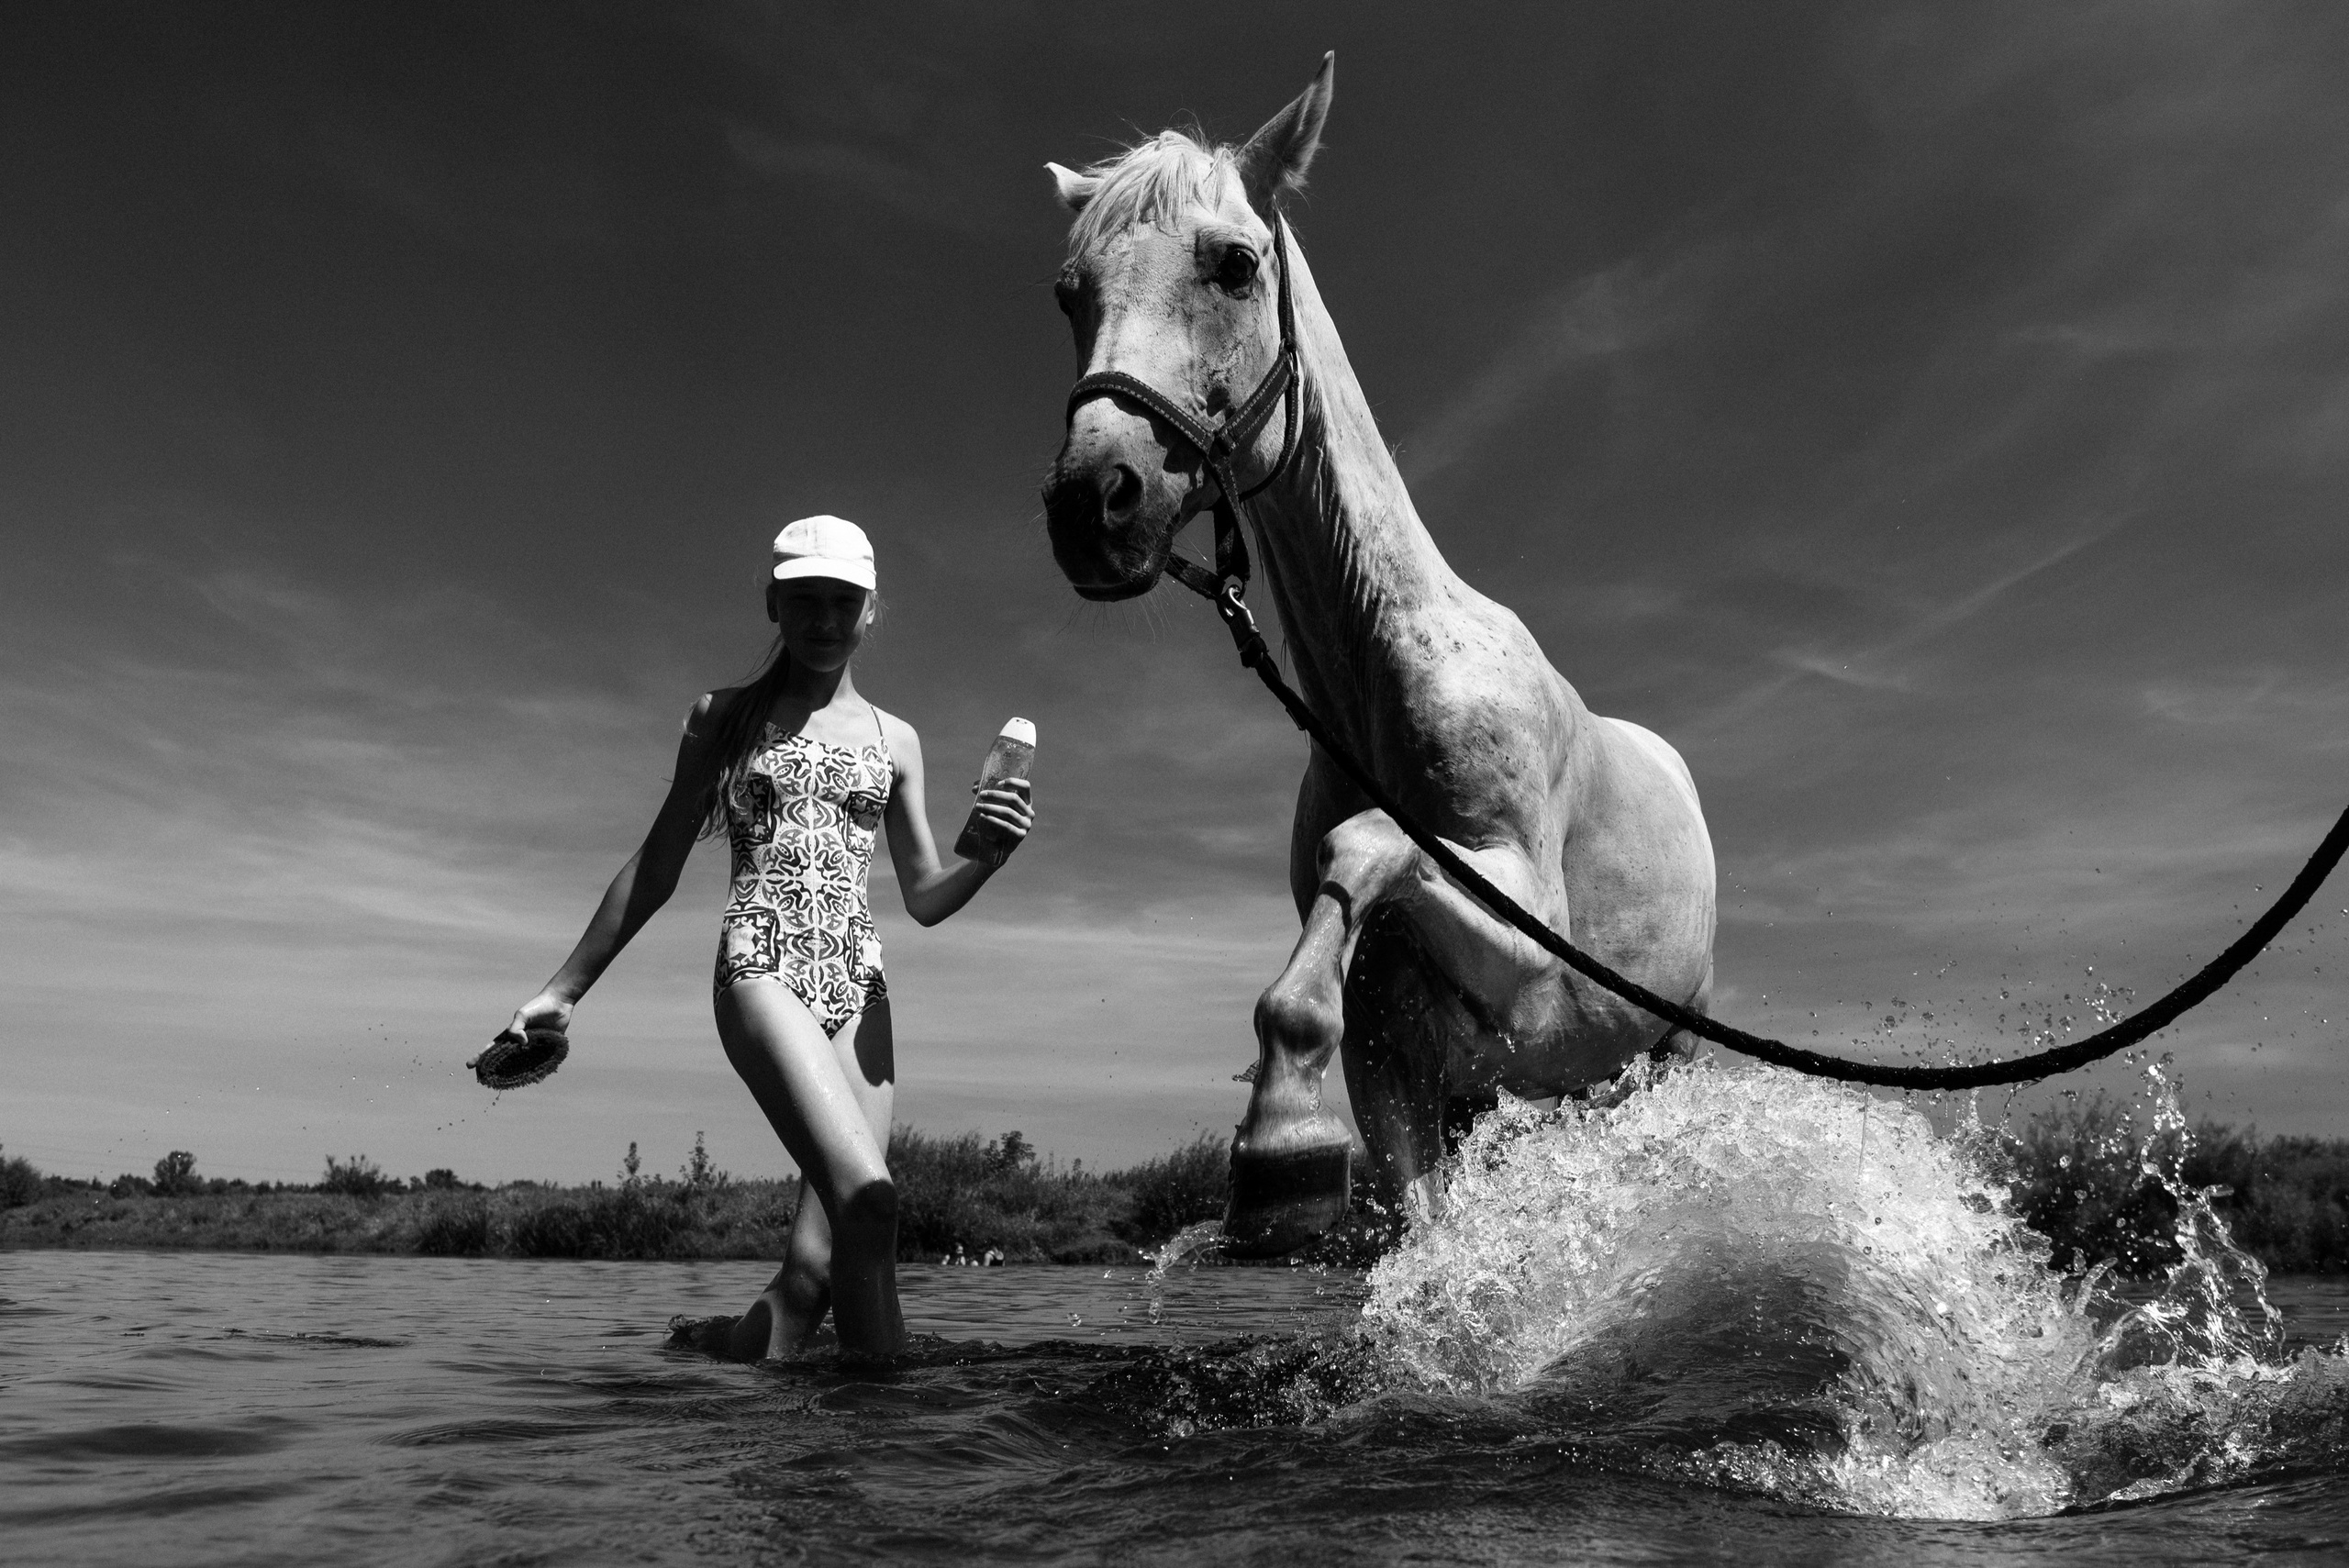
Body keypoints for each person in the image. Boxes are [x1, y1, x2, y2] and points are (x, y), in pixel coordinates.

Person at [495, 515, 1031, 1358]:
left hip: (861, 985)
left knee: (817, 1272)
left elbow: (925, 895)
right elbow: (658, 863)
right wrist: (562, 990)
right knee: (870, 1199)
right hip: (762, 963)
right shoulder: (725, 717)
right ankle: (882, 1436)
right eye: (804, 600)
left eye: (843, 602)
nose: (824, 620)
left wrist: (988, 856)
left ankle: (719, 1352)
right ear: (772, 605)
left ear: (869, 611)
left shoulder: (899, 740)